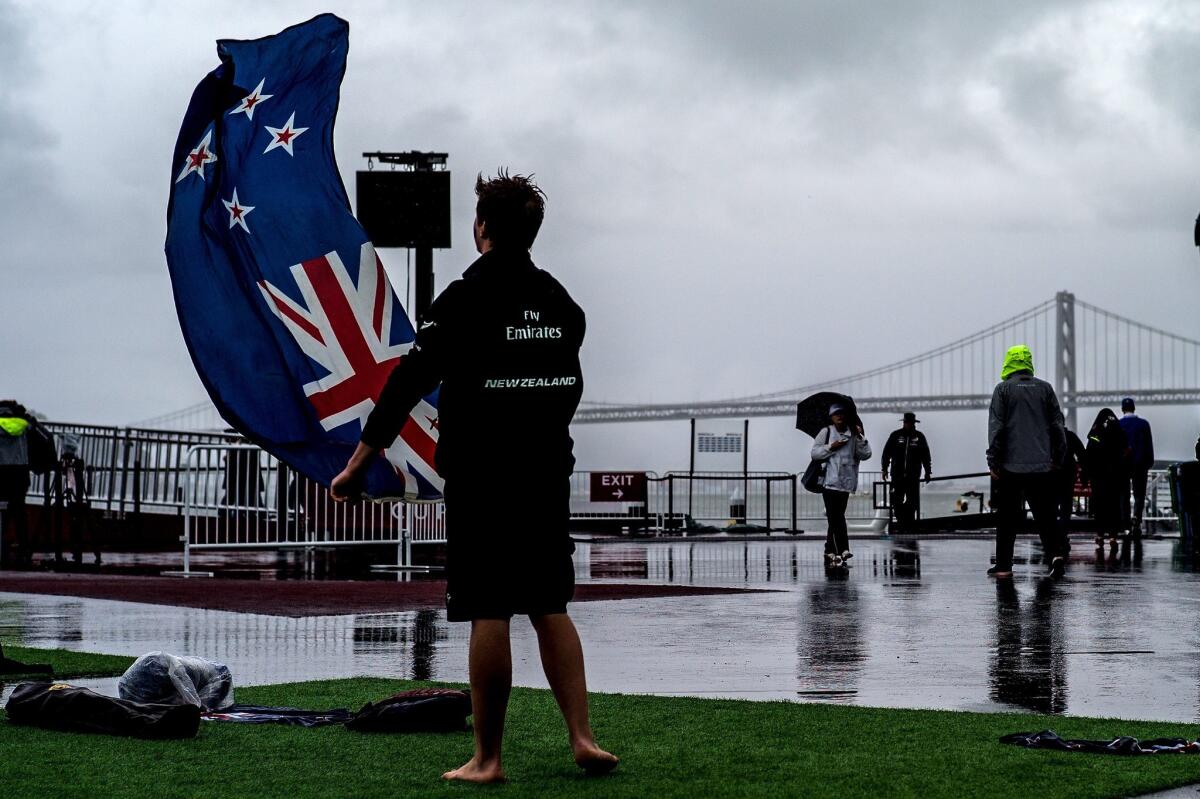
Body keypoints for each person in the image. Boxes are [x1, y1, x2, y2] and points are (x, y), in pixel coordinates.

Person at [330, 171, 616, 783]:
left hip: (483, 475)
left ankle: (487, 759)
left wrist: (359, 463)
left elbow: (406, 383)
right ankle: (583, 739)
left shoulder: (464, 298)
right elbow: (566, 387)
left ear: (481, 226)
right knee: (548, 603)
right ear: (532, 231)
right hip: (544, 473)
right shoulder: (563, 305)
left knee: (489, 608)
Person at [985, 345, 1068, 578]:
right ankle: (1056, 556)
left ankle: (1003, 566)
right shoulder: (1046, 389)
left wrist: (993, 461)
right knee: (1046, 517)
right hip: (1042, 466)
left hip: (1011, 466)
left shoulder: (1002, 390)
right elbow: (1057, 428)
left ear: (1008, 362)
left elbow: (996, 429)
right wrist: (1057, 459)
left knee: (1007, 519)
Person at [810, 403, 871, 567]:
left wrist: (860, 437)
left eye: (842, 413)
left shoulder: (853, 433)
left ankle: (829, 550)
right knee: (836, 516)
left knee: (834, 519)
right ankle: (844, 548)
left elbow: (866, 455)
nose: (840, 416)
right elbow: (815, 453)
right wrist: (831, 446)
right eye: (836, 414)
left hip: (846, 483)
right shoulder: (826, 432)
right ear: (831, 416)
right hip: (829, 483)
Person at [0, 400, 53, 568]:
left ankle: (1, 548)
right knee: (19, 512)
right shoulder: (25, 423)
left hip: (1, 471)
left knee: (2, 514)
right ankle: (24, 549)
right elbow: (44, 439)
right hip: (19, 472)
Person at [880, 411, 932, 533]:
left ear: (914, 423)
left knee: (912, 502)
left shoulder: (920, 437)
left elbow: (926, 456)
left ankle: (908, 525)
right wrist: (884, 469)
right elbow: (886, 453)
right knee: (895, 501)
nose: (908, 424)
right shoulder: (895, 435)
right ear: (903, 422)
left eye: (910, 422)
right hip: (897, 476)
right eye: (906, 422)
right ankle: (902, 522)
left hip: (913, 476)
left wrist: (928, 472)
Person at [1085, 408, 1129, 550]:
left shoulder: (1095, 433)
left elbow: (1088, 456)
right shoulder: (1120, 433)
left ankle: (1099, 535)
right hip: (1115, 477)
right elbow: (1126, 455)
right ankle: (1113, 536)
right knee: (1114, 506)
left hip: (1098, 477)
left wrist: (1085, 476)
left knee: (1099, 506)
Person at [1118, 398, 1154, 536]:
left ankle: (1126, 524)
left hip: (1122, 466)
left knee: (1124, 495)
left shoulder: (1118, 425)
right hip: (1140, 464)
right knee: (1139, 494)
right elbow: (1148, 445)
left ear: (1122, 409)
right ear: (1134, 408)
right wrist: (1149, 462)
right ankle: (1137, 520)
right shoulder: (1144, 424)